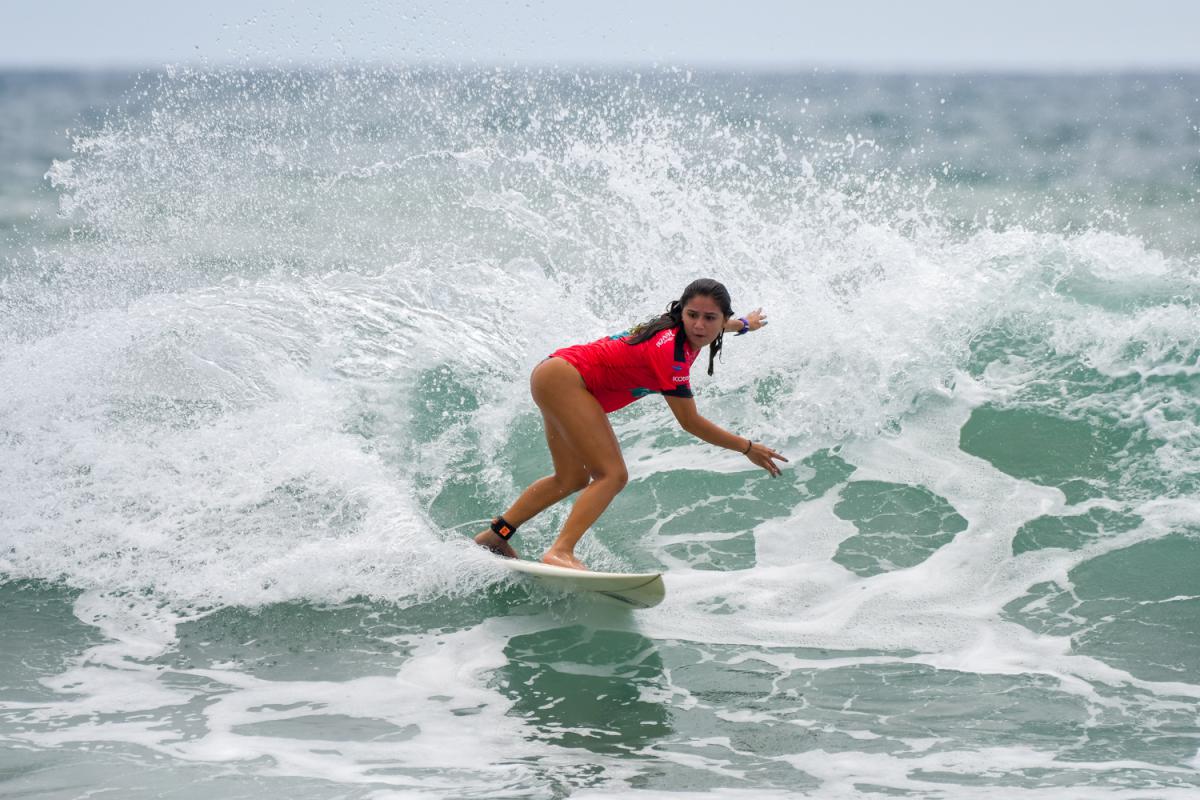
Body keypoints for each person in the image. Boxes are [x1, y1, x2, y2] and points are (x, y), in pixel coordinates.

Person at [474, 278, 787, 570]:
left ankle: (496, 535)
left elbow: (720, 324)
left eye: (709, 318)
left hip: (554, 373)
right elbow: (690, 422)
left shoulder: (693, 329)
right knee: (612, 476)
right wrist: (747, 447)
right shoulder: (671, 353)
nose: (699, 325)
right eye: (692, 315)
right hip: (565, 380)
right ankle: (561, 552)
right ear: (681, 312)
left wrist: (745, 324)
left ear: (721, 319)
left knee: (570, 478)